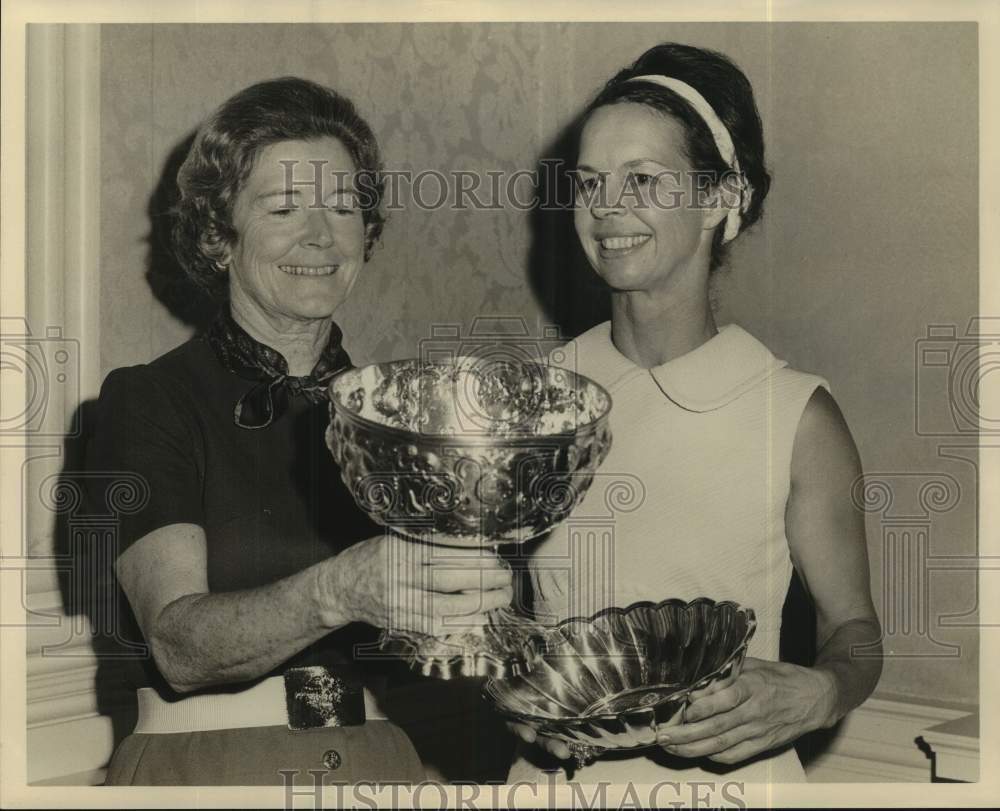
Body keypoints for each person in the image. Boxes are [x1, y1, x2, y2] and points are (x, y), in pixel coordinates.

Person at [86, 77, 513, 786]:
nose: (320, 235)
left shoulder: (407, 416)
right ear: (221, 236)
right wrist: (341, 588)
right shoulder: (149, 399)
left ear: (367, 232)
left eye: (344, 208)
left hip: (382, 765)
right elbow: (177, 647)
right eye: (284, 207)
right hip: (209, 771)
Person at [508, 43, 883, 783]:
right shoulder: (538, 399)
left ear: (720, 198)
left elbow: (856, 630)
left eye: (642, 180)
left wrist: (823, 689)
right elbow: (504, 619)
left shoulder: (794, 415)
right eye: (589, 184)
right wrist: (517, 696)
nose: (607, 210)